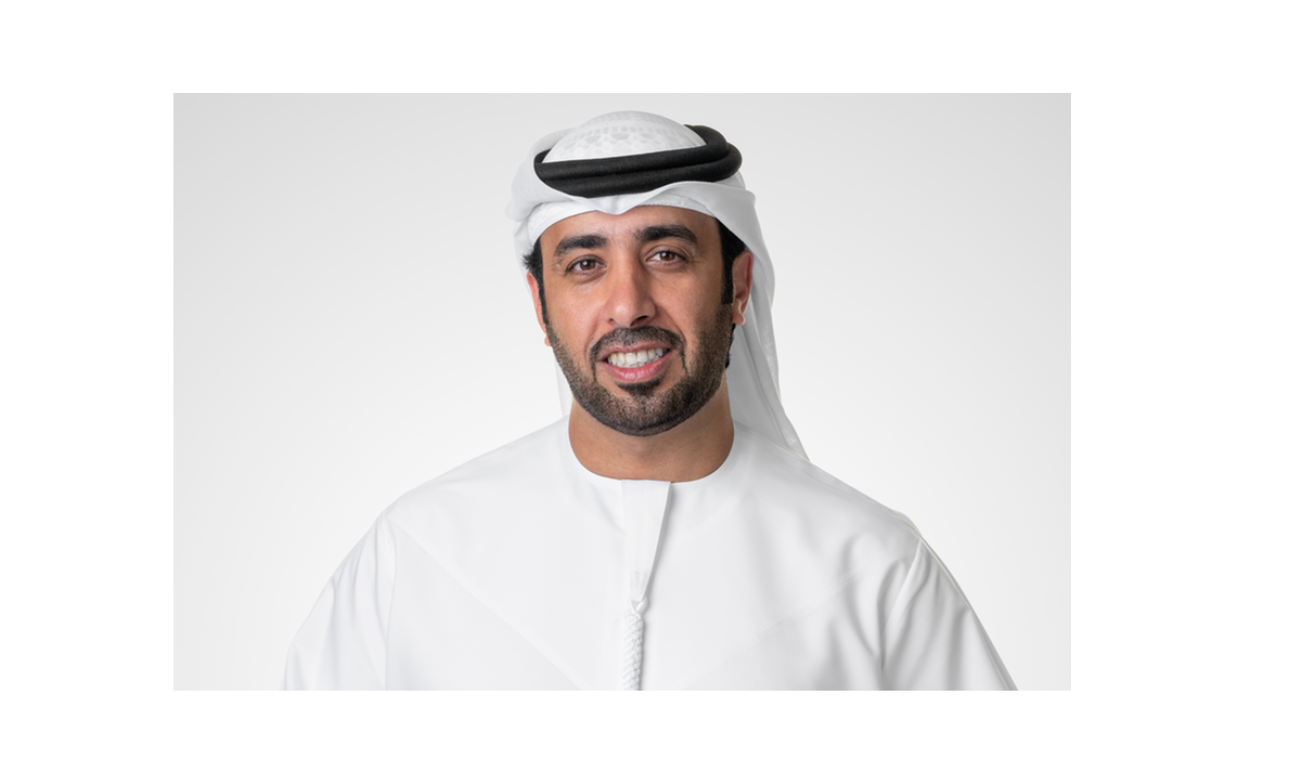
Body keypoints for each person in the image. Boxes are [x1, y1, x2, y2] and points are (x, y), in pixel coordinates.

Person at [282, 110, 1015, 690]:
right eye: (585, 264)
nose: (628, 304)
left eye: (666, 255)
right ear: (540, 303)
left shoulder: (872, 566)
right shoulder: (419, 551)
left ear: (738, 286)